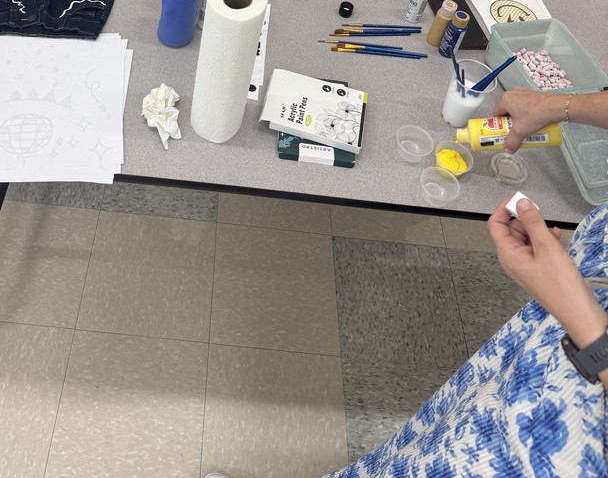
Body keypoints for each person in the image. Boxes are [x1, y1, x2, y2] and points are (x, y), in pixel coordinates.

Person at [206, 89, 608, 477]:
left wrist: (579, 315)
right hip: (572, 321)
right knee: (427, 441)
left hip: (565, 437)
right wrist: (563, 105)